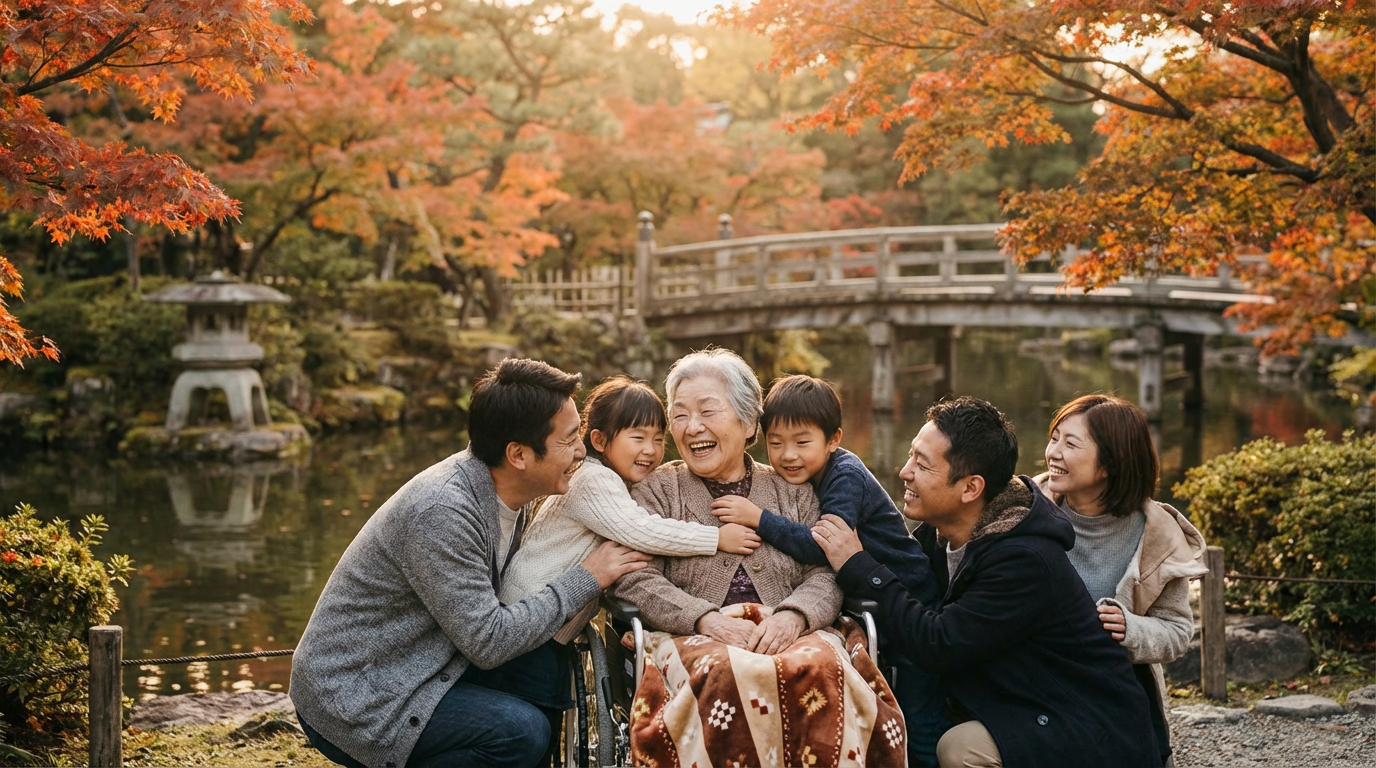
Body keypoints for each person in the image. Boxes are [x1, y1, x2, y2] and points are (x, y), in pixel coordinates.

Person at [289, 359, 652, 768]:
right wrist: (588, 577)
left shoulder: (508, 490)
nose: (583, 452)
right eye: (569, 441)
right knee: (520, 732)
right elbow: (489, 642)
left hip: (424, 661)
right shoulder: (443, 512)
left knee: (541, 668)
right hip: (361, 694)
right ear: (518, 454)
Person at [812, 396, 1161, 768]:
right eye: (912, 455)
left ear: (970, 488)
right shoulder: (942, 532)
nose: (905, 471)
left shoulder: (1024, 560)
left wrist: (858, 564)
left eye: (922, 465)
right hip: (1020, 703)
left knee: (959, 750)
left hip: (1087, 728)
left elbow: (938, 643)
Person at [481, 376, 761, 760]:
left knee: (542, 737)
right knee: (532, 738)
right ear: (598, 441)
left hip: (548, 632)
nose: (651, 451)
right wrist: (716, 539)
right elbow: (641, 530)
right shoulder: (593, 481)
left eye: (659, 439)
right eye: (637, 438)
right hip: (530, 635)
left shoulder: (608, 481)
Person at [711, 373, 946, 766]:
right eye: (776, 443)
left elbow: (823, 548)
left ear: (833, 439)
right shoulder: (803, 480)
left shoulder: (844, 477)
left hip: (908, 600)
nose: (788, 455)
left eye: (803, 442)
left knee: (921, 722)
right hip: (871, 604)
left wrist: (758, 518)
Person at [610, 349, 842, 651]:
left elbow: (826, 573)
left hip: (791, 639)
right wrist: (704, 620)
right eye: (680, 415)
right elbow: (634, 579)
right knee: (721, 674)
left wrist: (793, 617)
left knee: (822, 670)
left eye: (707, 412)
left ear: (748, 423)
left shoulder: (793, 490)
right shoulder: (656, 490)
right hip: (692, 642)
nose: (692, 428)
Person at [1038, 394, 1208, 765]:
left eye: (1071, 444)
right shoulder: (1027, 507)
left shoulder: (1157, 535)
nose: (1053, 452)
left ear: (1110, 465)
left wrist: (1130, 628)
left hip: (1116, 693)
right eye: (1054, 438)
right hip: (1034, 683)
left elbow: (1177, 632)